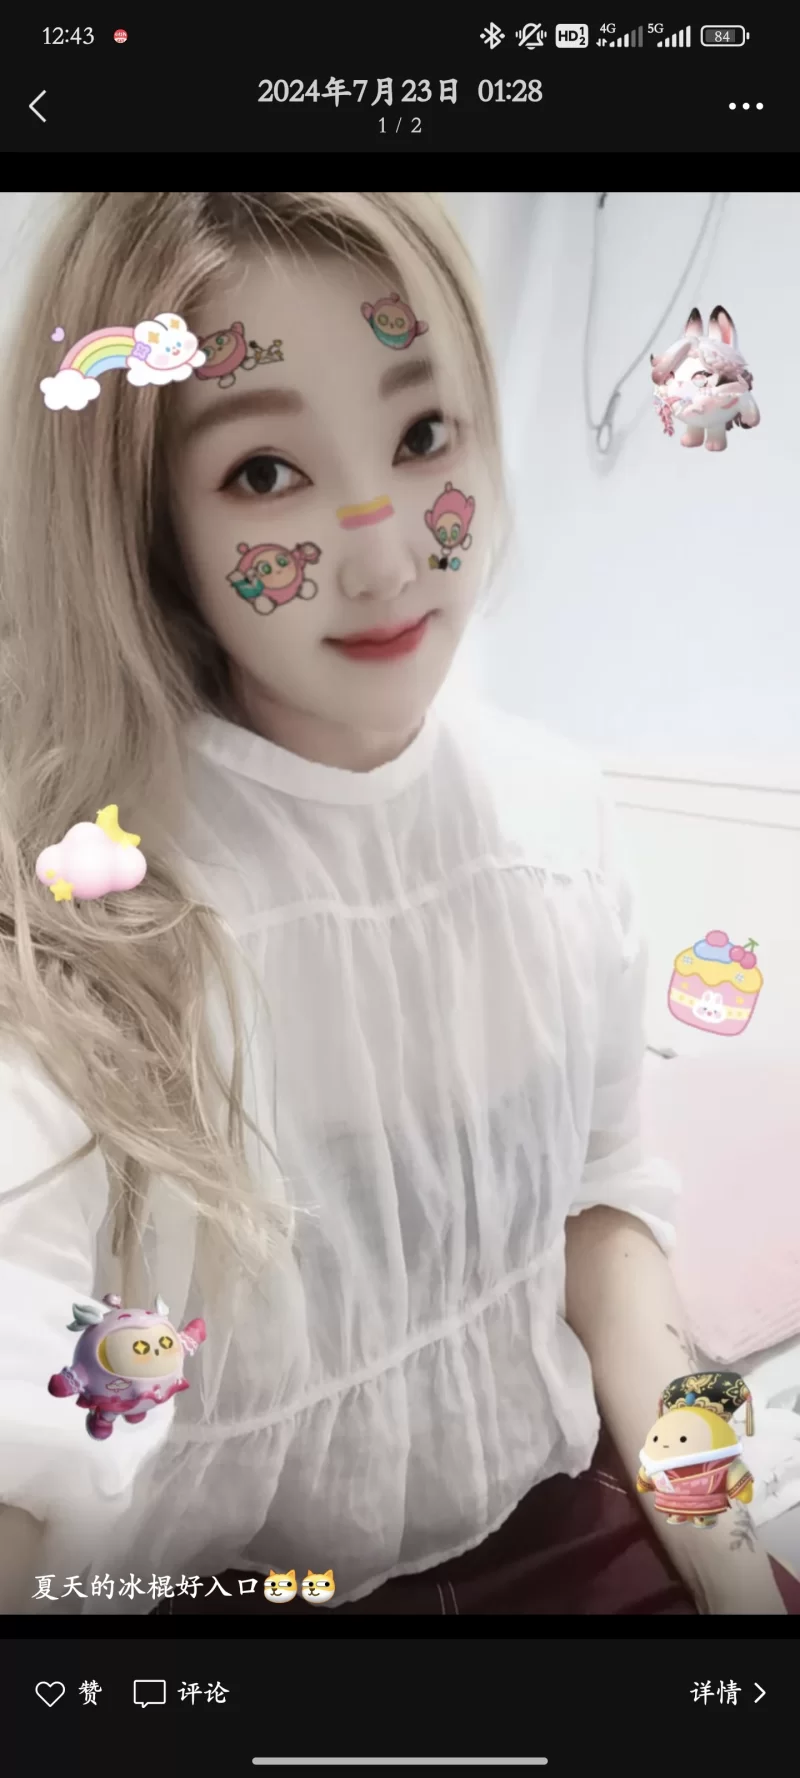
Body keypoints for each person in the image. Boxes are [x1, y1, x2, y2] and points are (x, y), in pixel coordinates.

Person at [0, 192, 793, 1618]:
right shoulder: (95, 906)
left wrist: (737, 1577)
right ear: (148, 521)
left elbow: (602, 1220)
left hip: (566, 1522)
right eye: (263, 471)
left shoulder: (557, 820)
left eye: (424, 434)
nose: (382, 556)